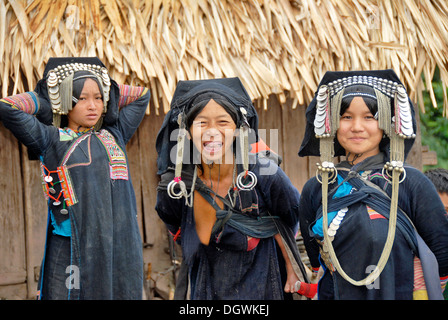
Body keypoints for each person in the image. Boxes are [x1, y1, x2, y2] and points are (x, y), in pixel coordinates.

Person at [0, 57, 150, 299]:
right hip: (72, 245)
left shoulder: (115, 134)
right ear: (65, 100)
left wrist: (107, 89)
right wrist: (48, 97)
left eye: (98, 98)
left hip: (116, 247)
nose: (93, 105)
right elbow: (8, 106)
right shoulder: (50, 139)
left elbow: (142, 95)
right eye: (82, 98)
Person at [297, 70, 448, 300]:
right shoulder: (317, 187)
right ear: (332, 124)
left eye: (369, 117)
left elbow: (442, 253)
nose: (357, 126)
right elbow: (316, 255)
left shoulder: (410, 183)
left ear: (387, 122)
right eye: (346, 117)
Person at [155, 78, 310, 299]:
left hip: (263, 279)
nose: (212, 132)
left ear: (238, 130)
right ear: (187, 132)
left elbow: (290, 215)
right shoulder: (176, 185)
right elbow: (174, 224)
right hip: (206, 281)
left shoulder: (264, 172)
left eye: (223, 122)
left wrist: (288, 263)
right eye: (202, 123)